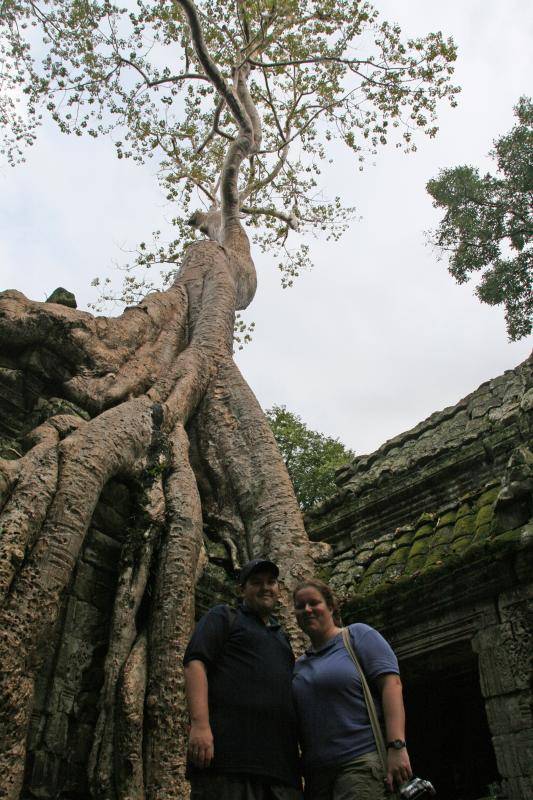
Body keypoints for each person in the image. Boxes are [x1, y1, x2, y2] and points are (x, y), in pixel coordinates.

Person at [183, 558, 303, 800]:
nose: (265, 588)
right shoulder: (224, 617)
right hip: (229, 763)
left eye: (271, 582)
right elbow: (195, 663)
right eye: (256, 582)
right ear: (241, 590)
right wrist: (200, 725)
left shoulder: (282, 639)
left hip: (281, 772)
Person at [292, 579, 412, 800]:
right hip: (317, 777)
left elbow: (391, 685)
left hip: (359, 764)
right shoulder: (298, 666)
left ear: (331, 607)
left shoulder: (357, 636)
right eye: (300, 606)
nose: (307, 610)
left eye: (314, 603)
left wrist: (397, 746)